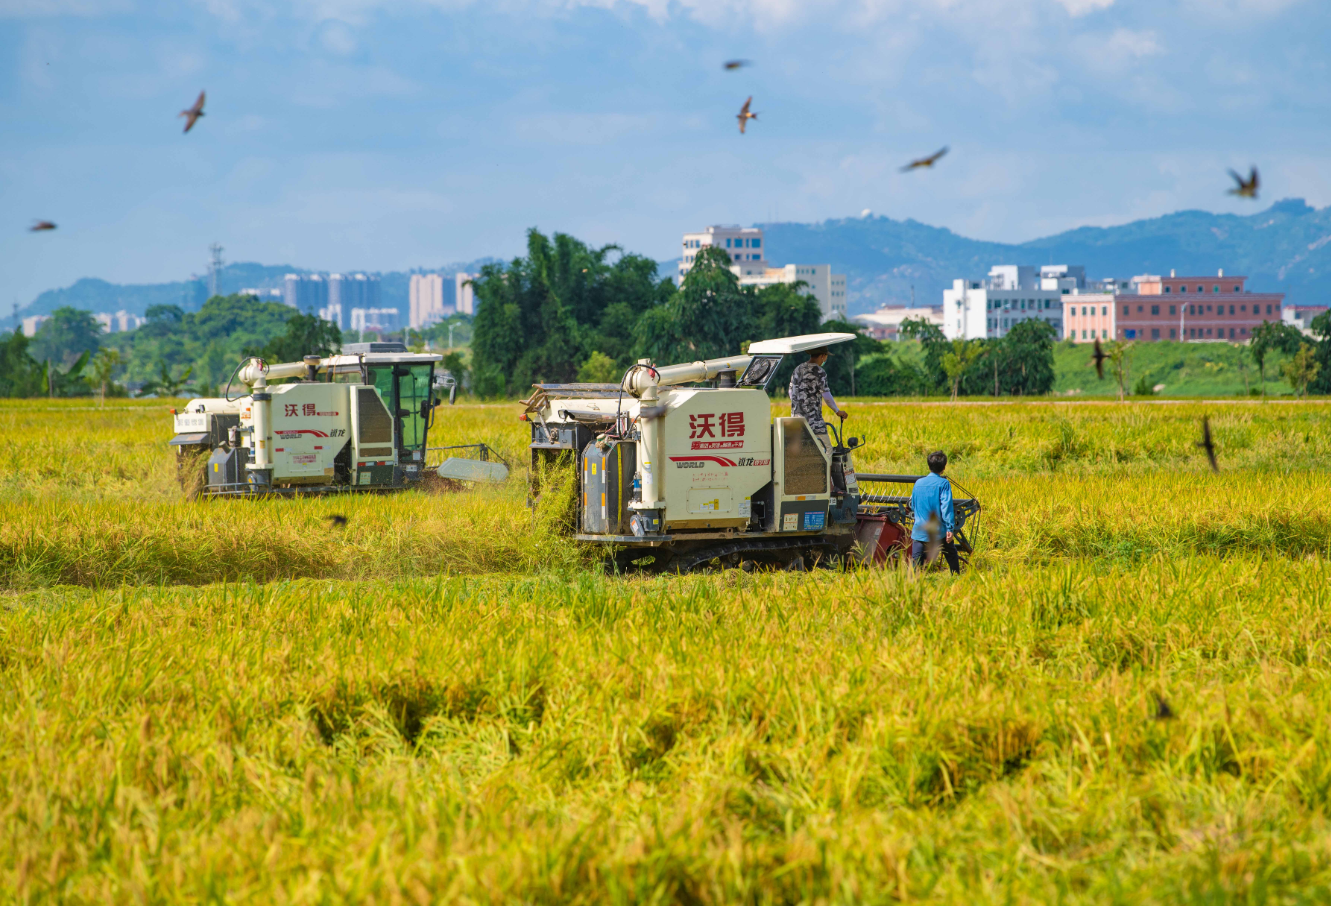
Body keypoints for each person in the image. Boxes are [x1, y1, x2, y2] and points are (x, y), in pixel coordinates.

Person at [910, 450, 962, 574]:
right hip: (938, 531)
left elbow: (913, 506)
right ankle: (957, 580)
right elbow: (946, 507)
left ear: (929, 466)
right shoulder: (944, 484)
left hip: (919, 530)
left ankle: (913, 587)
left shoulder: (918, 483)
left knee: (916, 563)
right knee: (951, 555)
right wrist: (950, 528)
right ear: (943, 468)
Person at [787, 346, 847, 451]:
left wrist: (799, 405)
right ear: (823, 356)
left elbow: (791, 391)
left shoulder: (798, 369)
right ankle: (825, 468)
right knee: (827, 449)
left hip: (796, 421)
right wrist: (837, 411)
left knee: (804, 451)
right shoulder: (819, 372)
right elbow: (827, 396)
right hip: (814, 422)